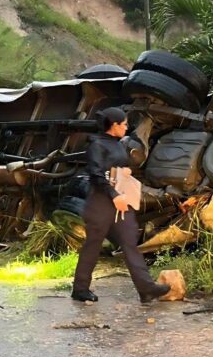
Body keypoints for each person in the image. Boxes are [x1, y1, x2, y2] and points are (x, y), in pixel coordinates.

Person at [71, 107, 171, 303]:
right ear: (114, 125)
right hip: (100, 202)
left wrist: (124, 173)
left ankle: (146, 288)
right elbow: (95, 173)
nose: (127, 128)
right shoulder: (96, 145)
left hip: (120, 203)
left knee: (130, 243)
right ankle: (80, 289)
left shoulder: (117, 143)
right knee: (93, 244)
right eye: (124, 124)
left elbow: (114, 168)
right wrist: (114, 194)